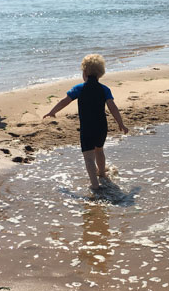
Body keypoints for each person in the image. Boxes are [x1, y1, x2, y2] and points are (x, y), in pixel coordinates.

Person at [43, 54, 128, 190]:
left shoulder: (79, 88)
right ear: (100, 73)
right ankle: (102, 174)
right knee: (99, 150)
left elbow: (64, 101)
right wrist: (120, 123)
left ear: (85, 72)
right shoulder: (104, 89)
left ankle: (95, 185)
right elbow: (113, 107)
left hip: (87, 128)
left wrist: (53, 111)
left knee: (88, 157)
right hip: (101, 127)